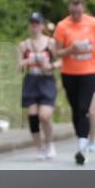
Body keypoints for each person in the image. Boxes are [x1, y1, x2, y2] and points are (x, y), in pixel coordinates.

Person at [53, 0, 95, 165]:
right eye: (73, 12)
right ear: (69, 9)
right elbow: (56, 52)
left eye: (79, 12)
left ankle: (82, 147)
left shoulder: (93, 23)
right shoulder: (62, 26)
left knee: (84, 108)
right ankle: (81, 139)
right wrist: (71, 49)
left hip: (89, 72)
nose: (76, 15)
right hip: (69, 73)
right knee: (76, 109)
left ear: (83, 8)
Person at [20, 11, 59, 160]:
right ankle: (39, 147)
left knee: (45, 116)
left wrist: (50, 66)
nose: (34, 25)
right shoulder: (24, 45)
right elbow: (19, 67)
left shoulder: (51, 43)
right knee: (33, 116)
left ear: (42, 25)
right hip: (31, 80)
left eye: (37, 23)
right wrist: (26, 62)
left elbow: (60, 61)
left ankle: (49, 143)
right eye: (32, 23)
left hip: (46, 81)